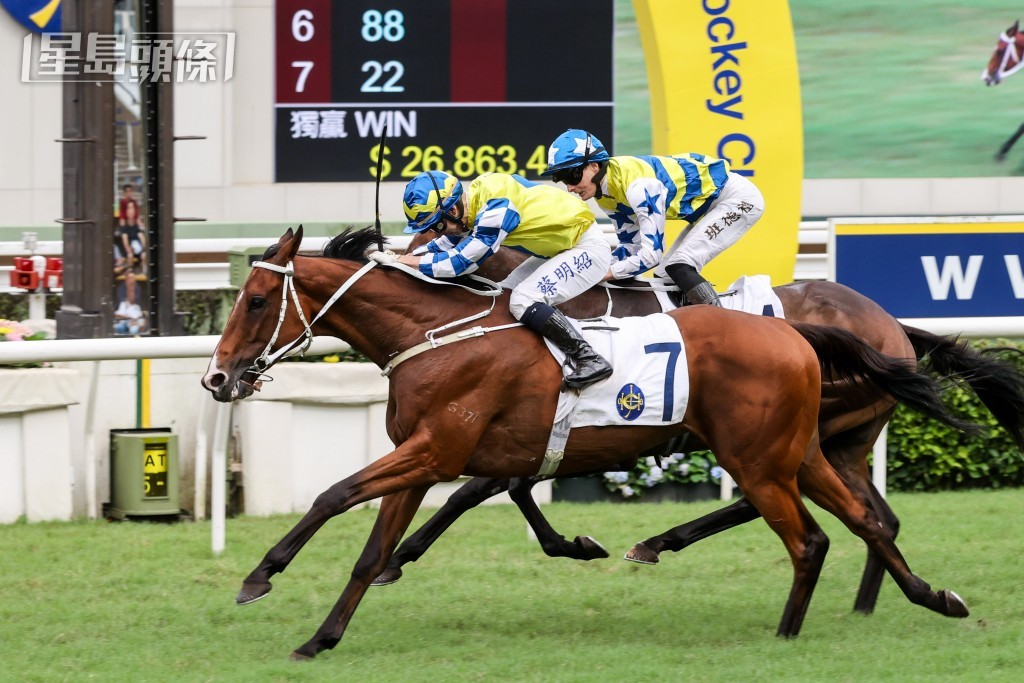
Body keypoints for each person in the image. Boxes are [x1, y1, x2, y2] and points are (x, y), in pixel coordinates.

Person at [397, 170, 613, 390]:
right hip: (560, 248)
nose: (435, 233)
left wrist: (412, 262)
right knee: (501, 299)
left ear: (453, 209)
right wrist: (400, 259)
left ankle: (589, 358)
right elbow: (446, 243)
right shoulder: (473, 202)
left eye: (437, 226)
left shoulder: (498, 206)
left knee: (523, 300)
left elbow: (461, 262)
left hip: (586, 248)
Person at [542, 128, 765, 306]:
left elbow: (650, 255)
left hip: (736, 199)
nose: (570, 188)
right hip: (707, 206)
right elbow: (631, 246)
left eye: (571, 176)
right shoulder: (605, 194)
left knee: (679, 266)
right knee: (664, 278)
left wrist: (603, 273)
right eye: (561, 179)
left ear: (594, 166)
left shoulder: (639, 187)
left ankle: (723, 327)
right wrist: (591, 265)